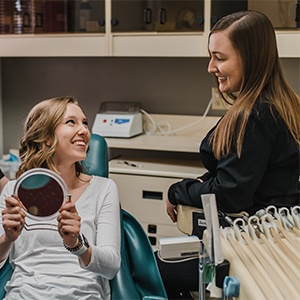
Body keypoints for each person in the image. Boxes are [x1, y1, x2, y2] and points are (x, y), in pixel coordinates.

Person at [156, 11, 300, 299]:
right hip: (280, 236)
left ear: (251, 58)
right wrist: (210, 180)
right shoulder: (287, 104)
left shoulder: (255, 115)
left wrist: (178, 191)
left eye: (220, 58)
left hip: (255, 245)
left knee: (152, 267)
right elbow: (252, 172)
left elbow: (231, 193)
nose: (211, 67)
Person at [0, 97, 121, 299]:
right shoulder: (14, 191)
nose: (84, 130)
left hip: (83, 295)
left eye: (85, 123)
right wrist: (8, 238)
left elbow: (111, 268)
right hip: (24, 294)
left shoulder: (104, 188)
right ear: (46, 137)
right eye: (71, 122)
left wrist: (77, 244)